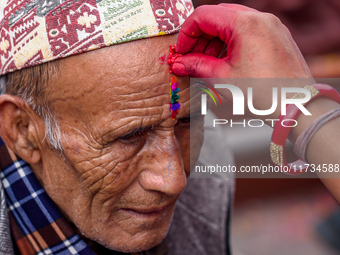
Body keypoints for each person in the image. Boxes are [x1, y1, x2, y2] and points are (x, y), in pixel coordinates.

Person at [0, 1, 234, 254]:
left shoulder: (212, 159)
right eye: (130, 136)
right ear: (23, 130)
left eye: (186, 121)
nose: (173, 181)